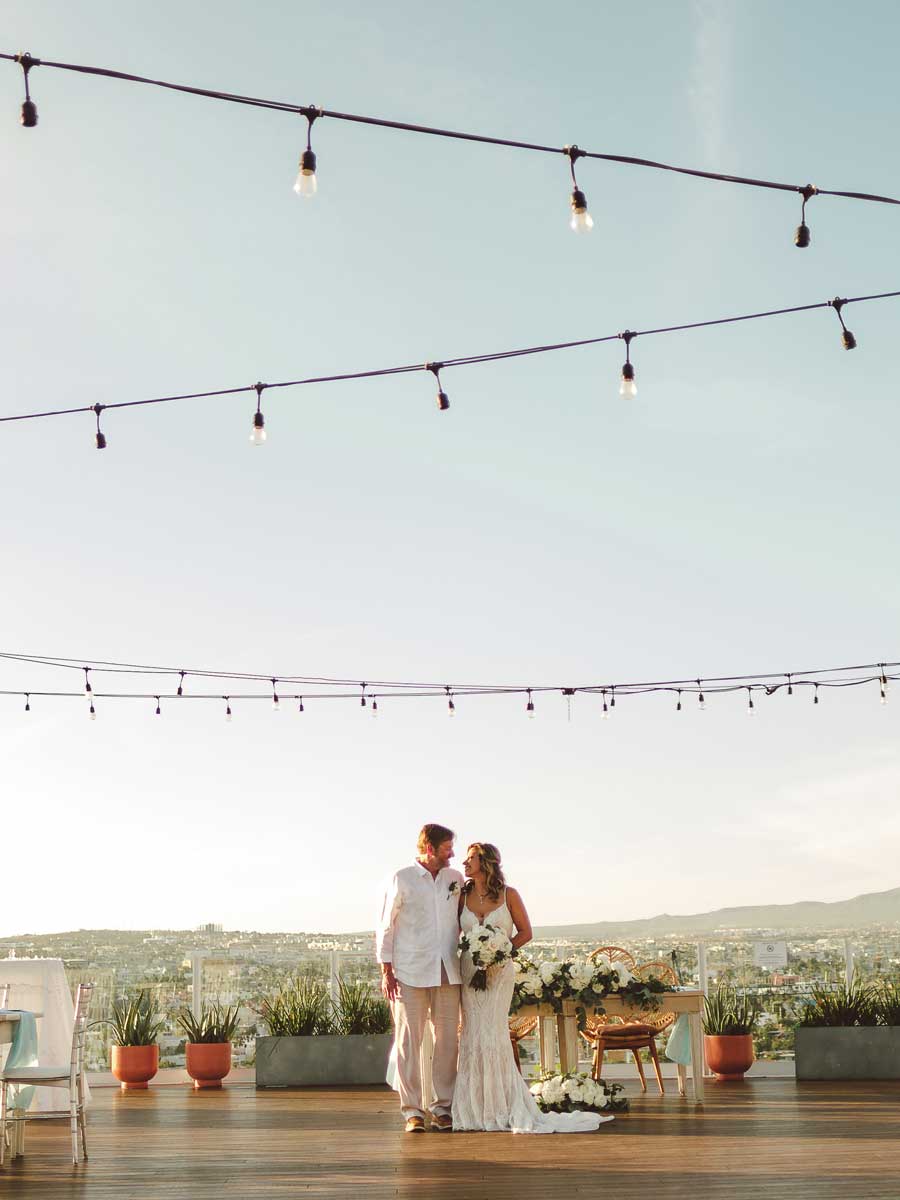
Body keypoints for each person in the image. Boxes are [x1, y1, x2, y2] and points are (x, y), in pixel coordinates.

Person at [451, 842, 613, 1133]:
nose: (465, 863)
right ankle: (473, 1105)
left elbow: (526, 932)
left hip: (500, 974)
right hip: (469, 973)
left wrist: (500, 951)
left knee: (494, 1031)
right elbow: (454, 934)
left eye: (471, 858)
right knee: (473, 1032)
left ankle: (503, 1103)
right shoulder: (461, 895)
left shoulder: (508, 895)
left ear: (486, 862)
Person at [376, 823, 463, 1133]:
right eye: (447, 848)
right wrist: (386, 970)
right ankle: (412, 1110)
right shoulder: (402, 879)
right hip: (409, 971)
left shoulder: (455, 879)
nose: (453, 853)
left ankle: (444, 1107)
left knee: (448, 1042)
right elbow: (386, 926)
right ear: (430, 849)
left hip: (448, 970)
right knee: (409, 1042)